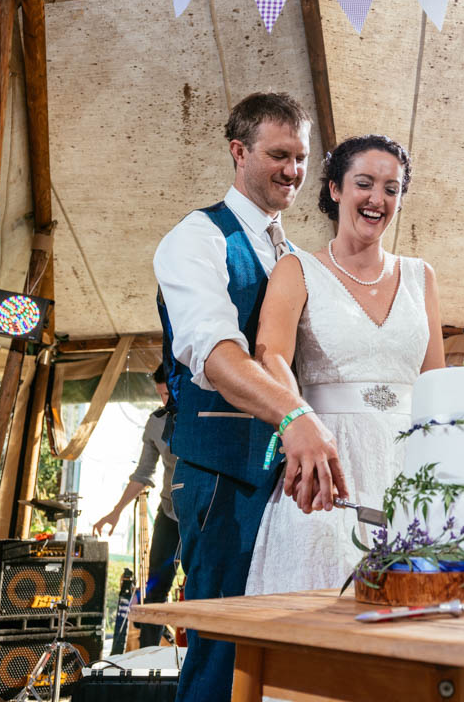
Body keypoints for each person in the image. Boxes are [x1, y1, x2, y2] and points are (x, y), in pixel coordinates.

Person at [154, 92, 350, 702]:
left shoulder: (294, 255)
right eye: (279, 155)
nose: (293, 170)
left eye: (301, 157)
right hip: (222, 475)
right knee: (224, 647)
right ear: (239, 152)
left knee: (287, 648)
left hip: (293, 483)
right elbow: (215, 354)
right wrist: (293, 416)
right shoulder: (196, 238)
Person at [245, 135, 445, 595]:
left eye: (391, 189)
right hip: (328, 465)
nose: (378, 199)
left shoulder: (421, 277)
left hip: (410, 469)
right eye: (364, 183)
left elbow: (435, 381)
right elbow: (269, 355)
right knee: (322, 607)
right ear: (335, 189)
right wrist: (299, 421)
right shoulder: (296, 269)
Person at [92, 365, 179, 648]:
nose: (165, 400)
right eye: (161, 394)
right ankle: (148, 657)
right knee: (155, 589)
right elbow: (143, 474)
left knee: (203, 590)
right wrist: (115, 512)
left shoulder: (202, 419)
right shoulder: (155, 422)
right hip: (169, 515)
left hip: (203, 517)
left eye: (169, 393)